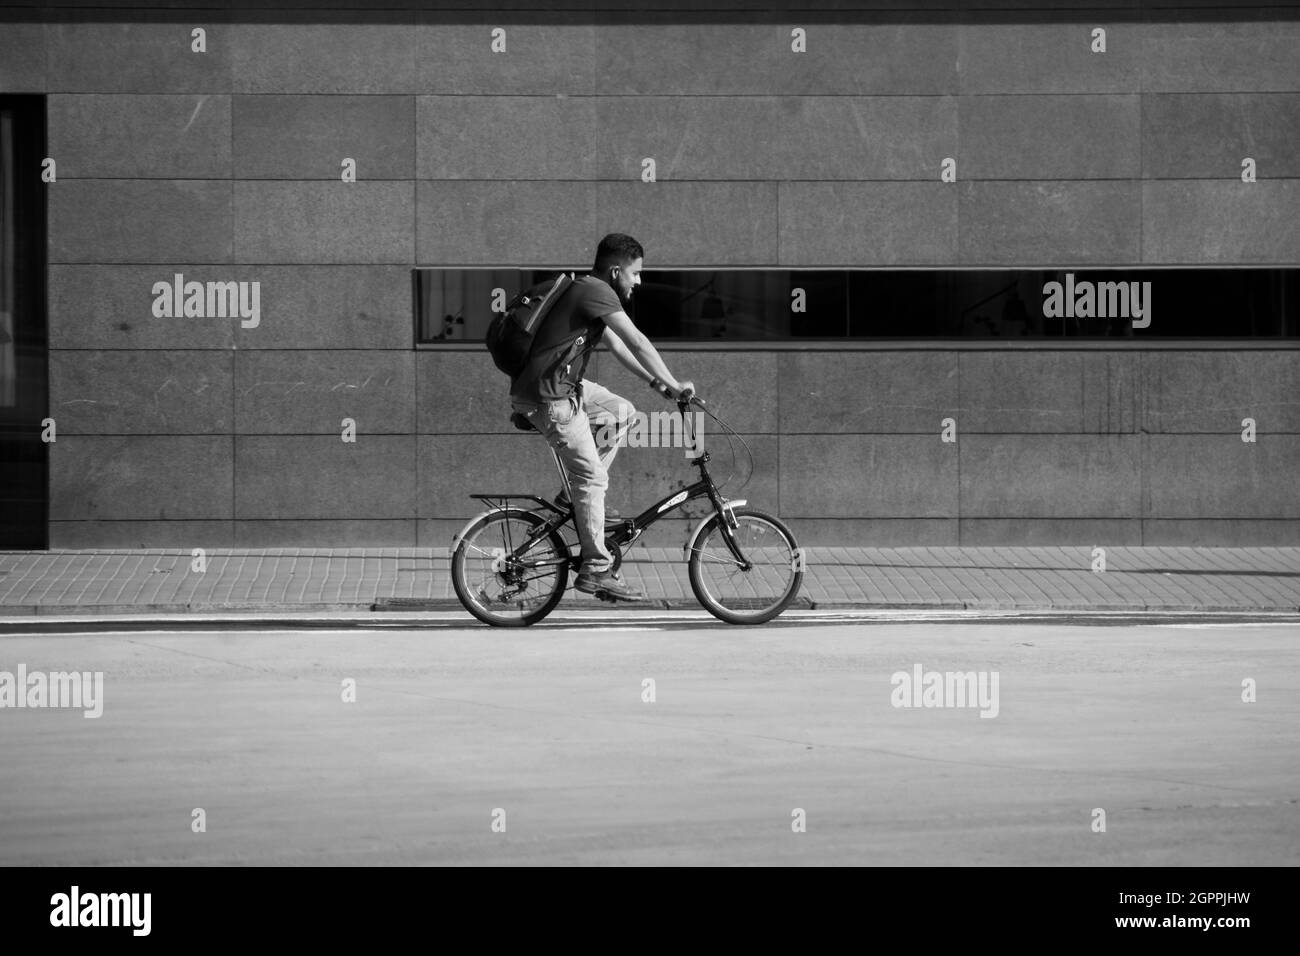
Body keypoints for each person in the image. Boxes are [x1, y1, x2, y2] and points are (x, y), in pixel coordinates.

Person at [509, 233, 695, 602]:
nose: (638, 282)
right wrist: (675, 384)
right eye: (635, 273)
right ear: (615, 271)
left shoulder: (585, 290)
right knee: (592, 478)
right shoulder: (597, 292)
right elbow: (639, 341)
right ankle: (596, 570)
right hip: (551, 398)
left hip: (563, 386)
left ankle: (571, 500)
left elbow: (618, 345)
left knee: (623, 413)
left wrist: (656, 383)